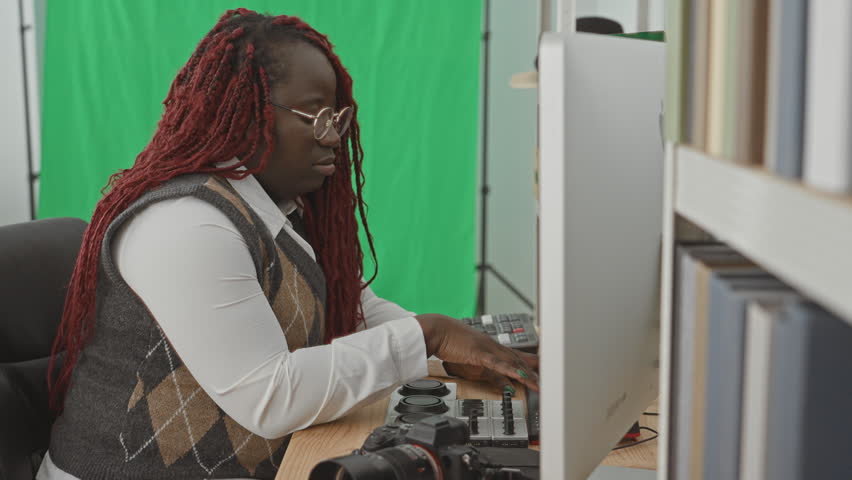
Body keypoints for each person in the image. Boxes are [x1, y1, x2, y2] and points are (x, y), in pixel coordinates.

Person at [38, 9, 538, 480]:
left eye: (338, 119)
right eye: (318, 117)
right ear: (248, 115)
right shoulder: (186, 224)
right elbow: (270, 396)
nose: (334, 138)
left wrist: (451, 351)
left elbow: (352, 307)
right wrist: (426, 336)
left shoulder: (274, 208)